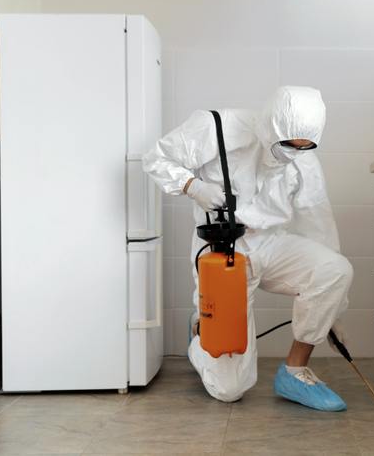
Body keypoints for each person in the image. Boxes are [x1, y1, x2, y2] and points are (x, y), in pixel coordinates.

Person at [142, 85, 353, 411]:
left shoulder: (302, 156)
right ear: (272, 127)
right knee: (229, 390)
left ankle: (294, 373)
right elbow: (155, 157)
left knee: (335, 269)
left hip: (273, 243)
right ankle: (202, 329)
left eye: (305, 147)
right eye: (288, 145)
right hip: (224, 253)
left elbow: (318, 221)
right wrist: (192, 185)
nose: (294, 154)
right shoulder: (217, 127)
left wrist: (333, 304)